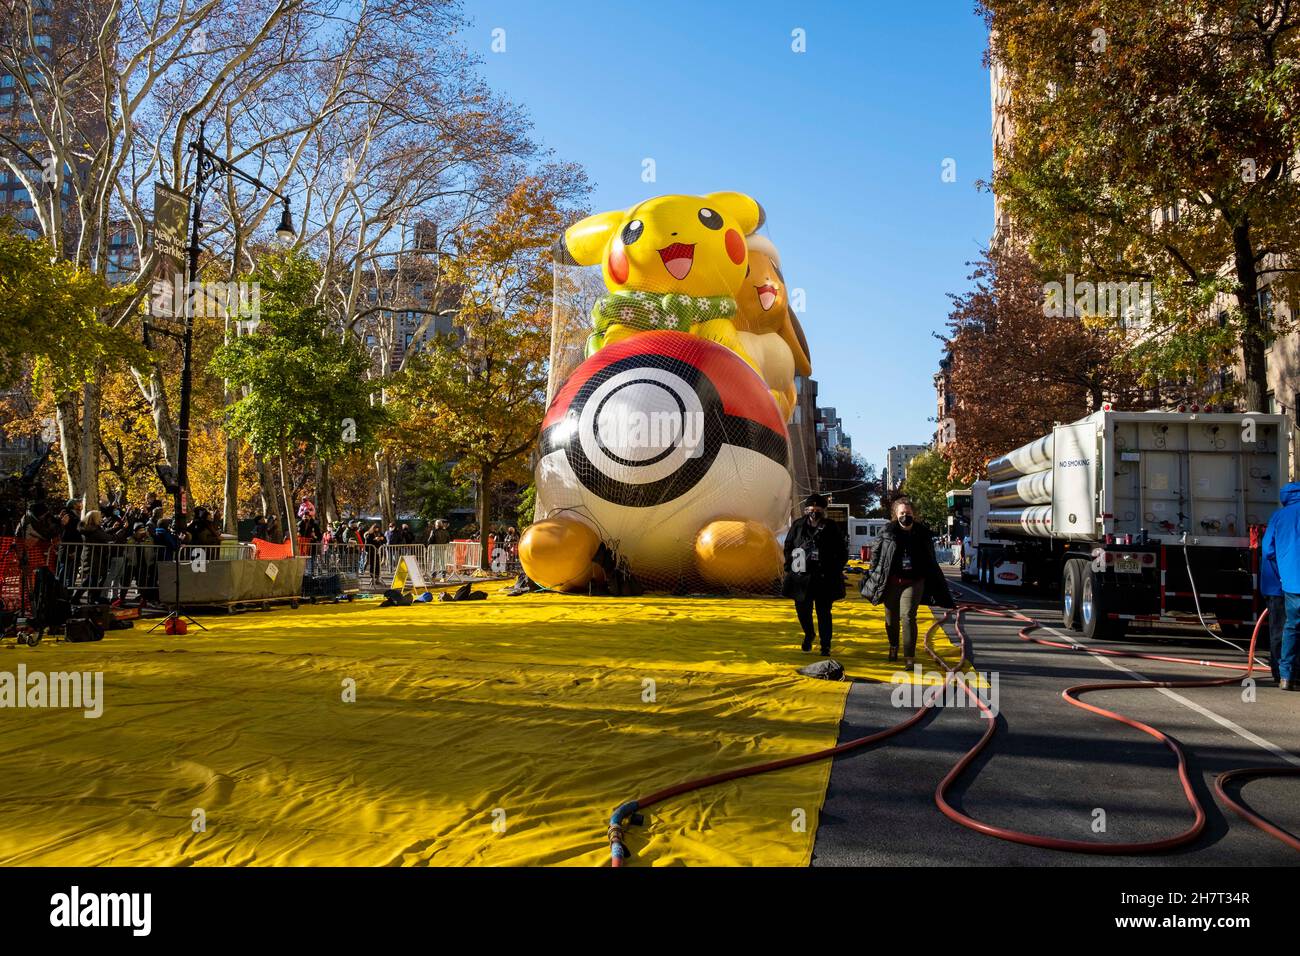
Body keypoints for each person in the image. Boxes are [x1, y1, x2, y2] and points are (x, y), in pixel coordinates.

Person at [861, 497, 955, 667]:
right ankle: (893, 645)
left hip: (914, 581)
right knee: (891, 618)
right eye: (902, 513)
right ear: (896, 515)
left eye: (909, 513)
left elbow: (931, 559)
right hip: (890, 581)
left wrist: (936, 581)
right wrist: (871, 575)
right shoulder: (887, 532)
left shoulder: (923, 534)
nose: (906, 516)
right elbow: (876, 557)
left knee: (908, 617)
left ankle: (909, 657)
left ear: (914, 515)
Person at [782, 493, 849, 655]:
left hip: (824, 577)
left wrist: (835, 568)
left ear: (823, 510)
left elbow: (842, 551)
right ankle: (809, 634)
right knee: (802, 611)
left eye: (817, 508)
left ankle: (825, 645)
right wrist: (790, 565)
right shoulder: (798, 525)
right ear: (806, 509)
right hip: (801, 577)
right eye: (811, 508)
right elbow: (788, 546)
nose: (814, 511)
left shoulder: (831, 527)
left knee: (824, 612)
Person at [1261, 482, 1300, 690]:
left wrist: (1282, 573)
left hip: (1287, 583)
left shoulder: (1279, 516)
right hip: (1288, 581)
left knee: (1288, 628)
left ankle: (1284, 675)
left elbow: (1268, 550)